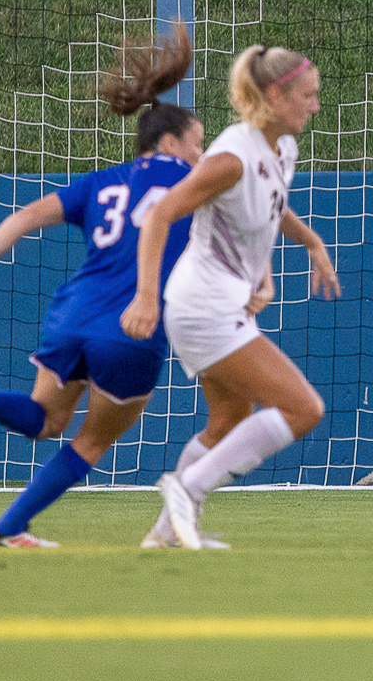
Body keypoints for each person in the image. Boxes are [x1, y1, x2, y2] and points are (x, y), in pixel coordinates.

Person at [0, 28, 209, 547]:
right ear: (169, 143)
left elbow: (25, 216)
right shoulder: (194, 186)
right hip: (132, 326)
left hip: (72, 315)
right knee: (90, 442)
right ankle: (7, 524)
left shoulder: (100, 182)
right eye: (198, 144)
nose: (203, 155)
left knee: (46, 420)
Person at [122, 44, 340, 550]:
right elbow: (158, 216)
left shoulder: (282, 148)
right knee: (303, 408)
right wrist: (146, 297)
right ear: (275, 95)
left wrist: (309, 241)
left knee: (228, 421)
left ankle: (165, 535)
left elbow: (270, 207)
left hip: (221, 304)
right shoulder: (229, 156)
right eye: (308, 96)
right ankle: (187, 488)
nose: (316, 106)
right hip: (201, 307)